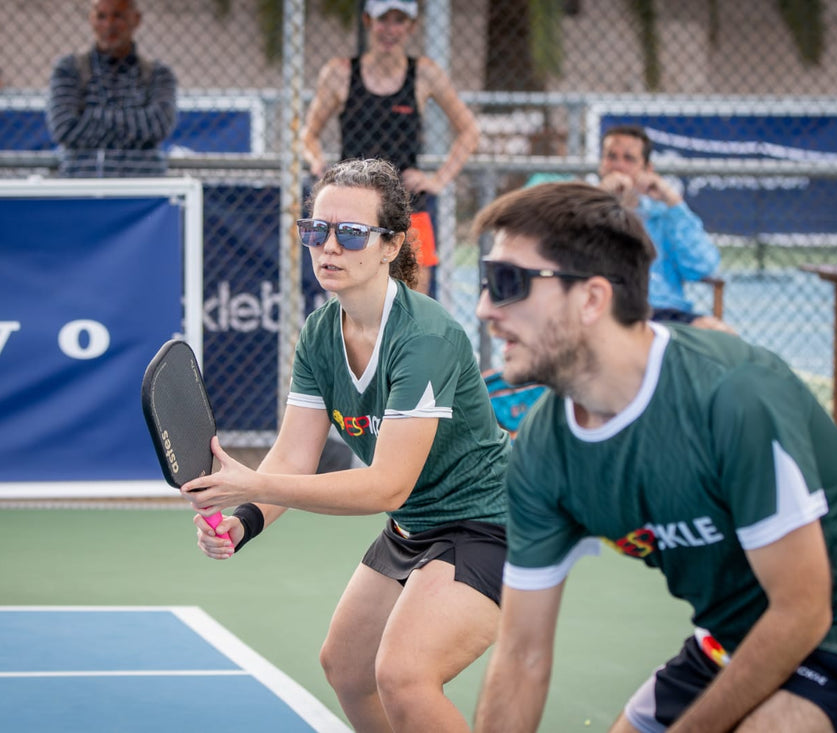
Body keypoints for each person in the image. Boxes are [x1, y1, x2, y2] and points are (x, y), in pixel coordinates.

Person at [470, 181, 837, 732]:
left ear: (592, 298)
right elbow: (521, 655)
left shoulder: (735, 396)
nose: (484, 308)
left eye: (508, 282)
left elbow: (803, 611)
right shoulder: (543, 447)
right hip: (731, 636)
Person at [183, 158, 510, 732]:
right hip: (414, 525)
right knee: (348, 668)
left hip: (487, 525)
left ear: (391, 246)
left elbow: (387, 486)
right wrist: (245, 518)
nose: (328, 246)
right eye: (316, 230)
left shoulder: (425, 337)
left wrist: (251, 481)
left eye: (352, 233)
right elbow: (294, 456)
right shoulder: (319, 334)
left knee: (404, 675)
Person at [303, 0, 480, 296]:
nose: (390, 29)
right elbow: (308, 135)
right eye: (383, 19)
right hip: (352, 210)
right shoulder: (340, 73)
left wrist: (438, 179)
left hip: (408, 207)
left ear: (411, 27)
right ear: (368, 21)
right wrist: (318, 163)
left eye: (399, 20)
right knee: (352, 301)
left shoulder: (424, 73)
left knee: (415, 301)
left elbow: (470, 132)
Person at [597, 124, 734, 333]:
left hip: (664, 313)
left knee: (721, 335)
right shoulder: (584, 213)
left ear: (647, 169)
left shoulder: (665, 216)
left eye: (629, 159)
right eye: (611, 157)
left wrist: (674, 203)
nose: (618, 166)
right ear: (601, 165)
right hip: (606, 312)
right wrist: (598, 199)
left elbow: (704, 267)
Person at [47, 0, 176, 177]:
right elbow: (64, 128)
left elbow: (157, 126)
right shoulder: (69, 69)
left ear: (136, 19)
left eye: (118, 16)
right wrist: (134, 124)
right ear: (91, 19)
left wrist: (91, 118)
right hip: (82, 181)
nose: (109, 25)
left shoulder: (158, 74)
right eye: (101, 16)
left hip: (142, 184)